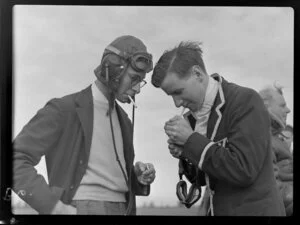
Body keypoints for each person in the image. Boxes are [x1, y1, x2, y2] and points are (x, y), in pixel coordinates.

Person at [13, 35, 156, 215]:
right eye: (134, 78)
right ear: (112, 69)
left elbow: (110, 176)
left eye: (140, 81)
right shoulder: (63, 109)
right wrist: (53, 207)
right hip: (83, 208)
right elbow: (15, 159)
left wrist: (136, 177)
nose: (137, 89)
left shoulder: (125, 121)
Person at [151, 41, 285, 216]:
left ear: (197, 73)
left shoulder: (245, 101)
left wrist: (191, 140)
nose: (177, 103)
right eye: (171, 96)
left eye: (178, 92)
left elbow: (243, 170)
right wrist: (185, 151)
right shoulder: (191, 118)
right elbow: (204, 180)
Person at [259, 85, 293, 216]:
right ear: (266, 108)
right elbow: (273, 190)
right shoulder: (263, 140)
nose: (288, 110)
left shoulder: (274, 139)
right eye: (282, 105)